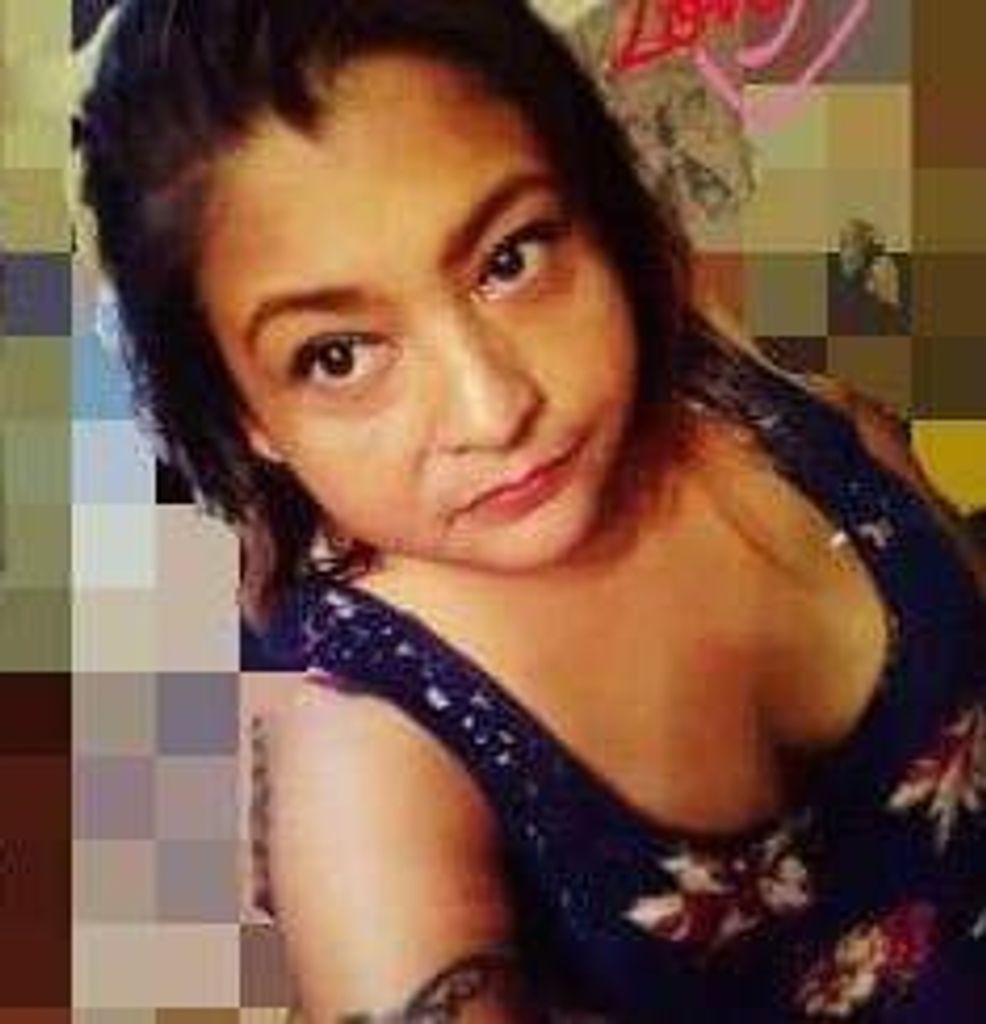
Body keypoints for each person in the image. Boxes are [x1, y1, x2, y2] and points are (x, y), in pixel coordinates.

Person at [78, 1, 984, 1019]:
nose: (493, 407)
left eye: (510, 259)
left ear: (593, 213)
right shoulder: (369, 760)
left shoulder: (768, 402)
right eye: (338, 356)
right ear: (250, 419)